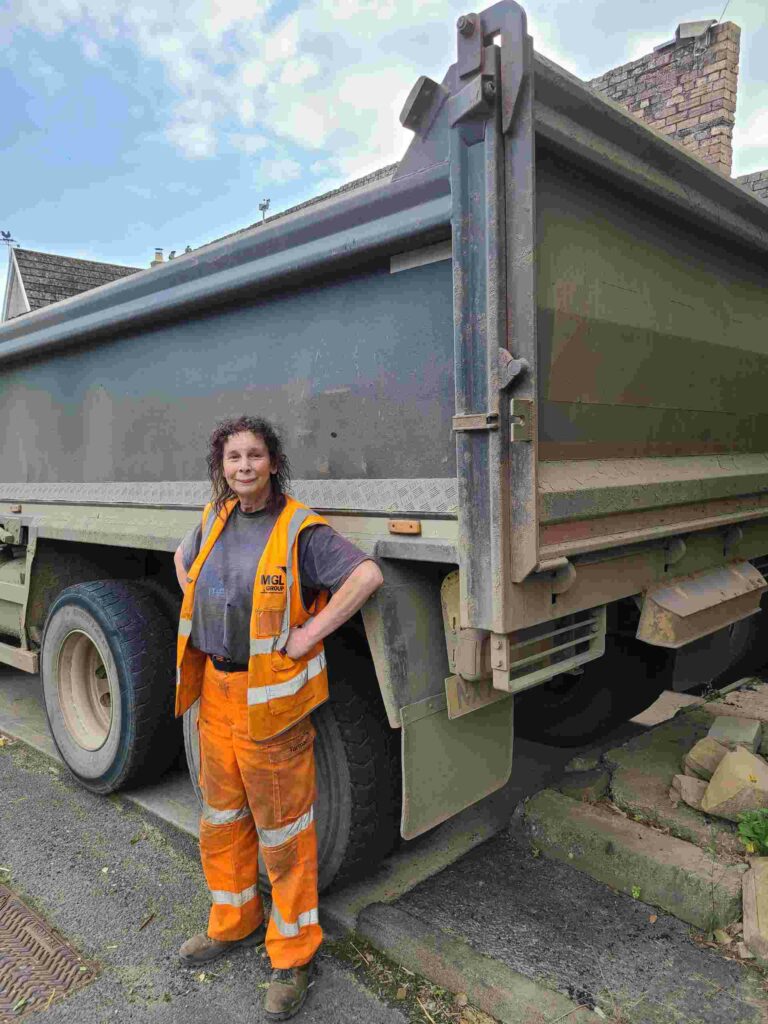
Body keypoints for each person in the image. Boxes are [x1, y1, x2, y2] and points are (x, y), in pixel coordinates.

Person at [172, 415, 383, 1020]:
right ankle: (232, 921)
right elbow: (182, 560)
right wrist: (193, 590)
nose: (244, 466)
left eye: (255, 456)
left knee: (285, 836)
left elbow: (365, 575)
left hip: (270, 707)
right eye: (234, 457)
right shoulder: (214, 517)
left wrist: (307, 634)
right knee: (221, 818)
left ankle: (292, 956)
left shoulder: (299, 530)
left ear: (272, 463)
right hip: (214, 694)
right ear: (223, 465)